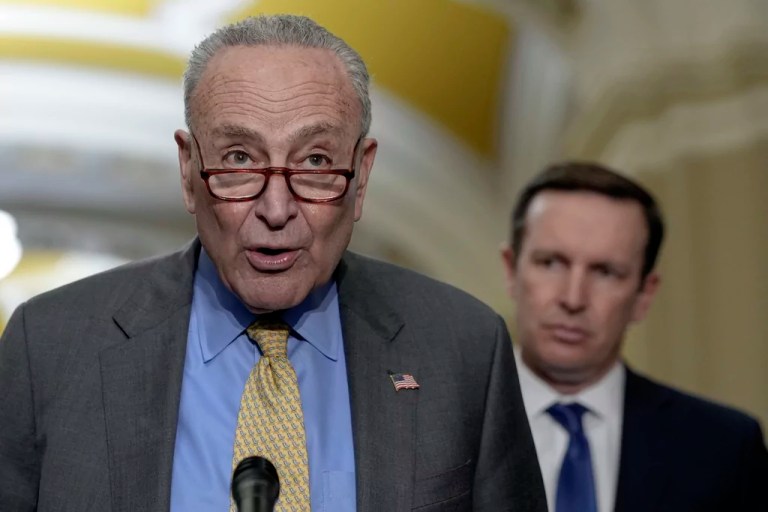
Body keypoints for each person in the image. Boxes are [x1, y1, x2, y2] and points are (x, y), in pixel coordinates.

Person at [0, 14, 546, 512]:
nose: (277, 209)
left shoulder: (463, 348)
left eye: (315, 161)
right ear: (189, 169)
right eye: (239, 159)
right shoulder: (49, 346)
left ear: (362, 176)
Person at [501, 161, 768, 512]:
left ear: (644, 295)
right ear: (511, 271)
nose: (573, 298)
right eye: (551, 263)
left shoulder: (724, 446)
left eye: (606, 272)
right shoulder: (441, 428)